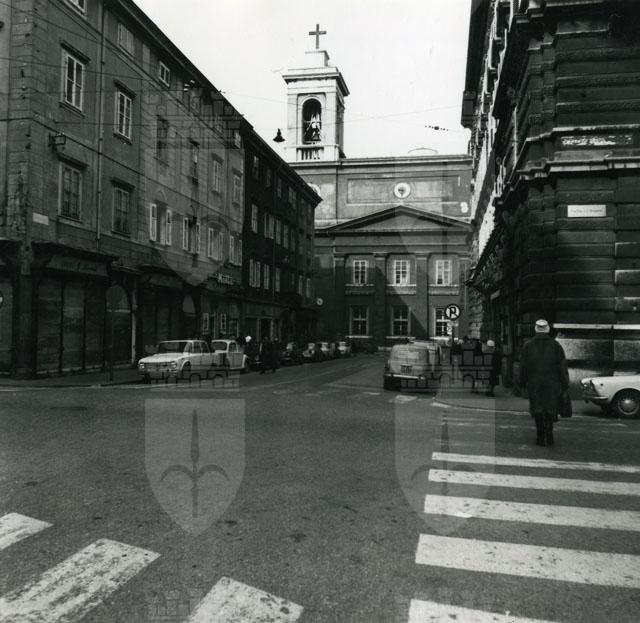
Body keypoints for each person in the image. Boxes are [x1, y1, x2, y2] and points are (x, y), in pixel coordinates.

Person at [519, 319, 569, 446]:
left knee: (538, 410)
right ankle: (550, 436)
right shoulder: (556, 345)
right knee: (550, 409)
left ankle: (540, 437)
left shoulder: (528, 346)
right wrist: (564, 383)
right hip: (552, 384)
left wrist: (522, 382)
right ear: (547, 330)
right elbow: (562, 366)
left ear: (536, 329)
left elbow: (523, 367)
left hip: (534, 384)